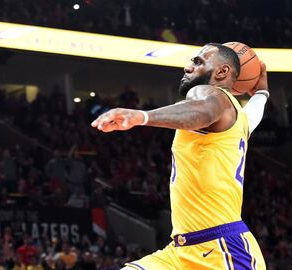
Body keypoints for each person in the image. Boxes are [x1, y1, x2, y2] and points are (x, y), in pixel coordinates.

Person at [91, 43, 269, 269]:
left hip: (222, 251)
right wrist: (262, 94)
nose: (188, 67)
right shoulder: (237, 119)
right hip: (181, 251)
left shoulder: (209, 93)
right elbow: (252, 117)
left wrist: (142, 116)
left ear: (222, 72)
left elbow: (204, 111)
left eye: (198, 61)